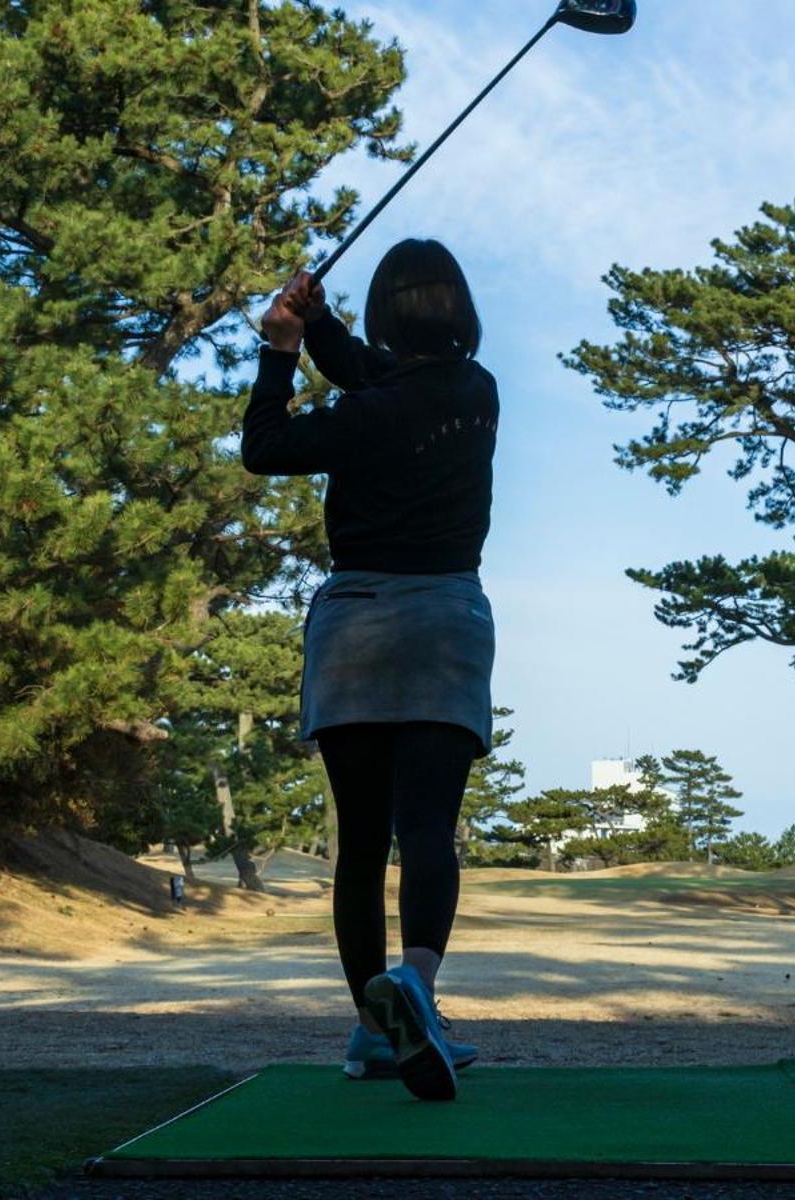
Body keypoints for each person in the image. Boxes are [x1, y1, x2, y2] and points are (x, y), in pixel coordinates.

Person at [244, 238, 498, 1103]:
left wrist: (283, 349)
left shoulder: (363, 413)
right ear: (457, 310)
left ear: (386, 317)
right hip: (444, 622)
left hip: (352, 623)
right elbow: (372, 373)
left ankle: (371, 1022)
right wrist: (318, 326)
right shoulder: (478, 392)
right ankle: (416, 987)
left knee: (359, 843)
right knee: (427, 827)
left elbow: (265, 445)